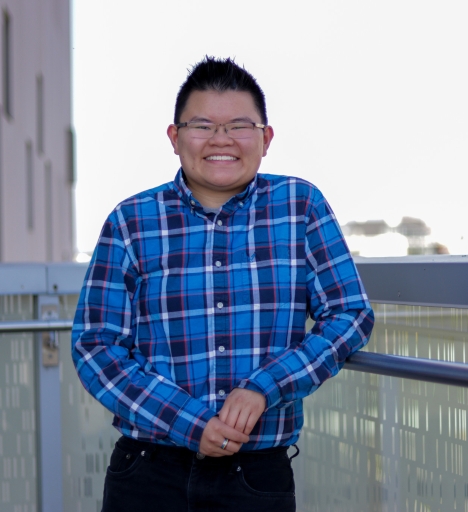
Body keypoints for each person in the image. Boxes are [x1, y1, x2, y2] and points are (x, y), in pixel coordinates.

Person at [71, 56, 374, 512]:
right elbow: (96, 345)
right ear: (174, 138)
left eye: (239, 125)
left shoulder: (300, 206)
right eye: (201, 125)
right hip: (147, 472)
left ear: (266, 138)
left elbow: (349, 314)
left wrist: (265, 387)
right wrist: (191, 423)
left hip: (255, 474)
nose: (221, 140)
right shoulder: (131, 221)